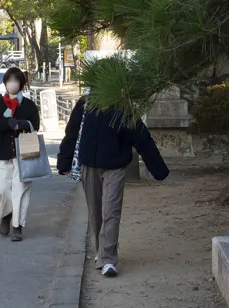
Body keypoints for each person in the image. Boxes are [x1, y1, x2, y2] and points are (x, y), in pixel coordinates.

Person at [56, 96, 169, 276]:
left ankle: (108, 259)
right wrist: (64, 160)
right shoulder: (85, 103)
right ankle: (102, 250)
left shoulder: (122, 105)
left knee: (111, 210)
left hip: (115, 166)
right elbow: (72, 132)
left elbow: (141, 136)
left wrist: (158, 169)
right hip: (90, 166)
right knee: (96, 212)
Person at [0, 66, 40, 242]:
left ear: (21, 83)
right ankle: (6, 214)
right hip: (1, 153)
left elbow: (35, 125)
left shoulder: (29, 105)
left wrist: (21, 124)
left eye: (15, 81)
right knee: (0, 189)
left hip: (23, 155)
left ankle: (17, 226)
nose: (12, 84)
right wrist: (7, 123)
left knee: (21, 190)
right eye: (9, 81)